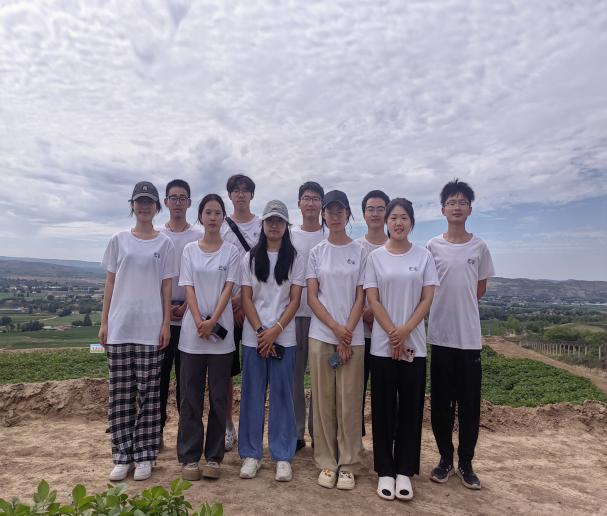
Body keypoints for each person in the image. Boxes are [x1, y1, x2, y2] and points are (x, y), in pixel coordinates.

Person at [99, 181, 178, 482]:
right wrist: (104, 322)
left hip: (150, 327)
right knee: (120, 394)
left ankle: (145, 455)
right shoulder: (118, 240)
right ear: (132, 205)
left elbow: (167, 286)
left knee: (149, 394)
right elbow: (110, 282)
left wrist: (165, 323)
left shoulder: (165, 244)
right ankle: (122, 455)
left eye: (149, 202)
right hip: (120, 326)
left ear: (157, 207)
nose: (144, 207)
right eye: (139, 201)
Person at [364, 198, 439, 501]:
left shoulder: (424, 256)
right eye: (393, 217)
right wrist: (394, 334)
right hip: (382, 346)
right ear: (386, 222)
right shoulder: (375, 258)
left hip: (414, 345)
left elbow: (427, 298)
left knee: (410, 408)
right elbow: (373, 299)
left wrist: (406, 331)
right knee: (382, 409)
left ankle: (405, 470)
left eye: (404, 217)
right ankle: (385, 469)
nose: (398, 222)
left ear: (412, 223)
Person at [427, 179, 495, 490]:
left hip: (468, 338)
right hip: (440, 337)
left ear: (470, 209)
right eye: (451, 202)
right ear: (443, 209)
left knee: (469, 405)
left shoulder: (479, 247)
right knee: (441, 404)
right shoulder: (432, 246)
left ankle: (466, 463)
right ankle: (445, 459)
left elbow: (479, 288)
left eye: (462, 202)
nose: (457, 207)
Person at [238, 200, 305, 482]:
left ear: (286, 226)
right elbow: (246, 298)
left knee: (282, 397)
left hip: (283, 337)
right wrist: (260, 331)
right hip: (254, 338)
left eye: (279, 221)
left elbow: (295, 300)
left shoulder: (296, 258)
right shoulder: (250, 258)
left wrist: (275, 330)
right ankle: (251, 454)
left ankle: (282, 455)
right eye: (270, 221)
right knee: (251, 396)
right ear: (263, 224)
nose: (274, 225)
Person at [177, 194, 240, 481]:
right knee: (190, 398)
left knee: (218, 397)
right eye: (208, 212)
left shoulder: (231, 252)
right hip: (192, 336)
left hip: (221, 336)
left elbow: (228, 289)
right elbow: (188, 288)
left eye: (217, 213)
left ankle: (214, 457)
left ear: (223, 217)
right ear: (200, 216)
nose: (213, 217)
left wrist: (213, 320)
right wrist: (199, 321)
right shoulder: (189, 250)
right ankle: (189, 458)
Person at [307, 190, 366, 491]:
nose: (334, 216)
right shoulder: (316, 252)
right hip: (321, 335)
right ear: (324, 215)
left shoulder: (360, 251)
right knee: (324, 402)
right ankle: (327, 461)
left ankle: (350, 463)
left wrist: (346, 334)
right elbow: (312, 297)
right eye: (329, 211)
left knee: (350, 402)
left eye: (340, 210)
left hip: (352, 338)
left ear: (348, 214)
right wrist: (335, 329)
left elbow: (361, 296)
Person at [158, 179, 203, 447]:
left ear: (189, 203)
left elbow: (199, 277)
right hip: (161, 318)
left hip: (189, 316)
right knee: (159, 380)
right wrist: (165, 309)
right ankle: (157, 432)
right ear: (165, 202)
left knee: (187, 384)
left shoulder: (198, 236)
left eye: (182, 198)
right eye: (173, 197)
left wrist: (186, 305)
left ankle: (185, 437)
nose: (177, 202)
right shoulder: (156, 234)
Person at [220, 173, 262, 451]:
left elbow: (267, 268)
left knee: (254, 374)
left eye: (246, 190)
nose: (241, 194)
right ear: (230, 195)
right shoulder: (222, 226)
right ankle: (227, 426)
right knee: (224, 372)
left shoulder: (262, 225)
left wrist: (244, 301)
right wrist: (231, 303)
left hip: (255, 309)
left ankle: (252, 428)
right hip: (225, 310)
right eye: (236, 190)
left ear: (252, 195)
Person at [290, 181, 325, 451]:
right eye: (306, 198)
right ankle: (296, 432)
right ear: (299, 203)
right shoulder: (290, 235)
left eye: (315, 198)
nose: (311, 203)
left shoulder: (329, 234)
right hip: (293, 315)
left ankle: (319, 432)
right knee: (294, 378)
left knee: (320, 379)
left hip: (323, 318)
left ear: (321, 204)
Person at [357, 190, 389, 437]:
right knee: (355, 390)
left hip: (386, 333)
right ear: (363, 214)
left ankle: (384, 443)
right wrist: (364, 312)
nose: (375, 213)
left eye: (380, 208)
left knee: (384, 391)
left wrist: (375, 312)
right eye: (370, 209)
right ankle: (355, 441)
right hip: (358, 332)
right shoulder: (355, 247)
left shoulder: (396, 246)